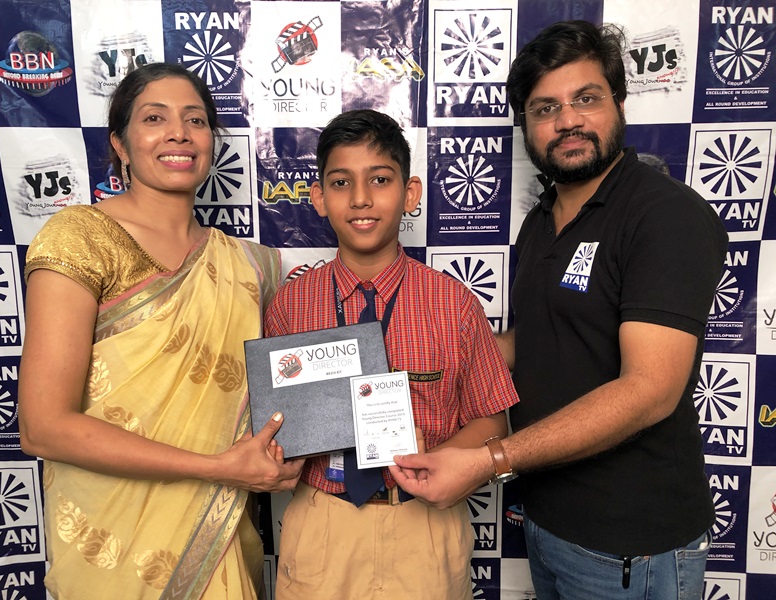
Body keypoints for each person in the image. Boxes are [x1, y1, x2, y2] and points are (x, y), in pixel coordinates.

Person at [390, 20, 728, 599]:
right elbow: (535, 341)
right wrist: (421, 353)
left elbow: (650, 389)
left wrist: (490, 459)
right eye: (546, 108)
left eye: (586, 99)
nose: (568, 120)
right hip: (549, 523)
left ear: (619, 103)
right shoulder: (541, 220)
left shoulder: (663, 215)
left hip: (631, 545)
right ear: (526, 124)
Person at [18, 63, 303, 600]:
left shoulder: (251, 266)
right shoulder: (80, 237)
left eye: (195, 120)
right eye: (154, 118)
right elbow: (43, 427)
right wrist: (217, 468)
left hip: (214, 538)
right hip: (110, 546)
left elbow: (276, 399)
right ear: (120, 145)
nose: (178, 133)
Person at [265, 109, 519, 599]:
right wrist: (276, 453)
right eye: (341, 182)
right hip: (324, 521)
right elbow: (273, 424)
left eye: (380, 179)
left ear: (410, 193)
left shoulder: (453, 303)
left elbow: (493, 421)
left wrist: (436, 461)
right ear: (318, 197)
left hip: (424, 523)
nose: (361, 198)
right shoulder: (291, 304)